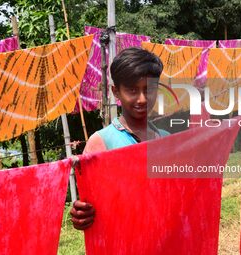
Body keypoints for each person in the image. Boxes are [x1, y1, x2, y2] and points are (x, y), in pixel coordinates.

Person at [70, 47, 169, 230]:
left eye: (149, 89)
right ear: (116, 92)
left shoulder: (167, 140)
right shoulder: (101, 142)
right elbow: (90, 201)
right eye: (132, 90)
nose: (141, 99)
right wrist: (82, 214)